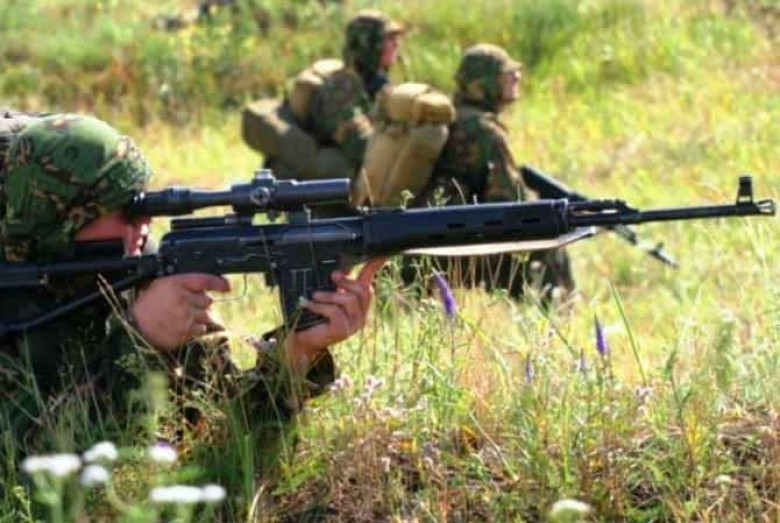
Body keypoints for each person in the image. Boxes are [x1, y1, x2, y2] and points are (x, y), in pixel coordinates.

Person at [0, 114, 384, 476]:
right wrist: (138, 339)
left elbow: (227, 432)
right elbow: (27, 468)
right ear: (67, 220)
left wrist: (295, 356)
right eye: (123, 209)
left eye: (143, 202)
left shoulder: (143, 271)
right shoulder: (12, 291)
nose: (144, 222)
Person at [407, 44, 575, 302]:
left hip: (424, 242)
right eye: (506, 74)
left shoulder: (454, 119)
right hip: (452, 248)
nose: (516, 76)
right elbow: (512, 202)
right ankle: (557, 315)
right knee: (550, 243)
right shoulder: (483, 131)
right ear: (484, 84)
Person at [255, 9, 404, 185]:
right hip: (314, 184)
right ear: (368, 45)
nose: (397, 44)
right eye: (388, 39)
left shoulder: (375, 83)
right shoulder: (341, 87)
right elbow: (358, 143)